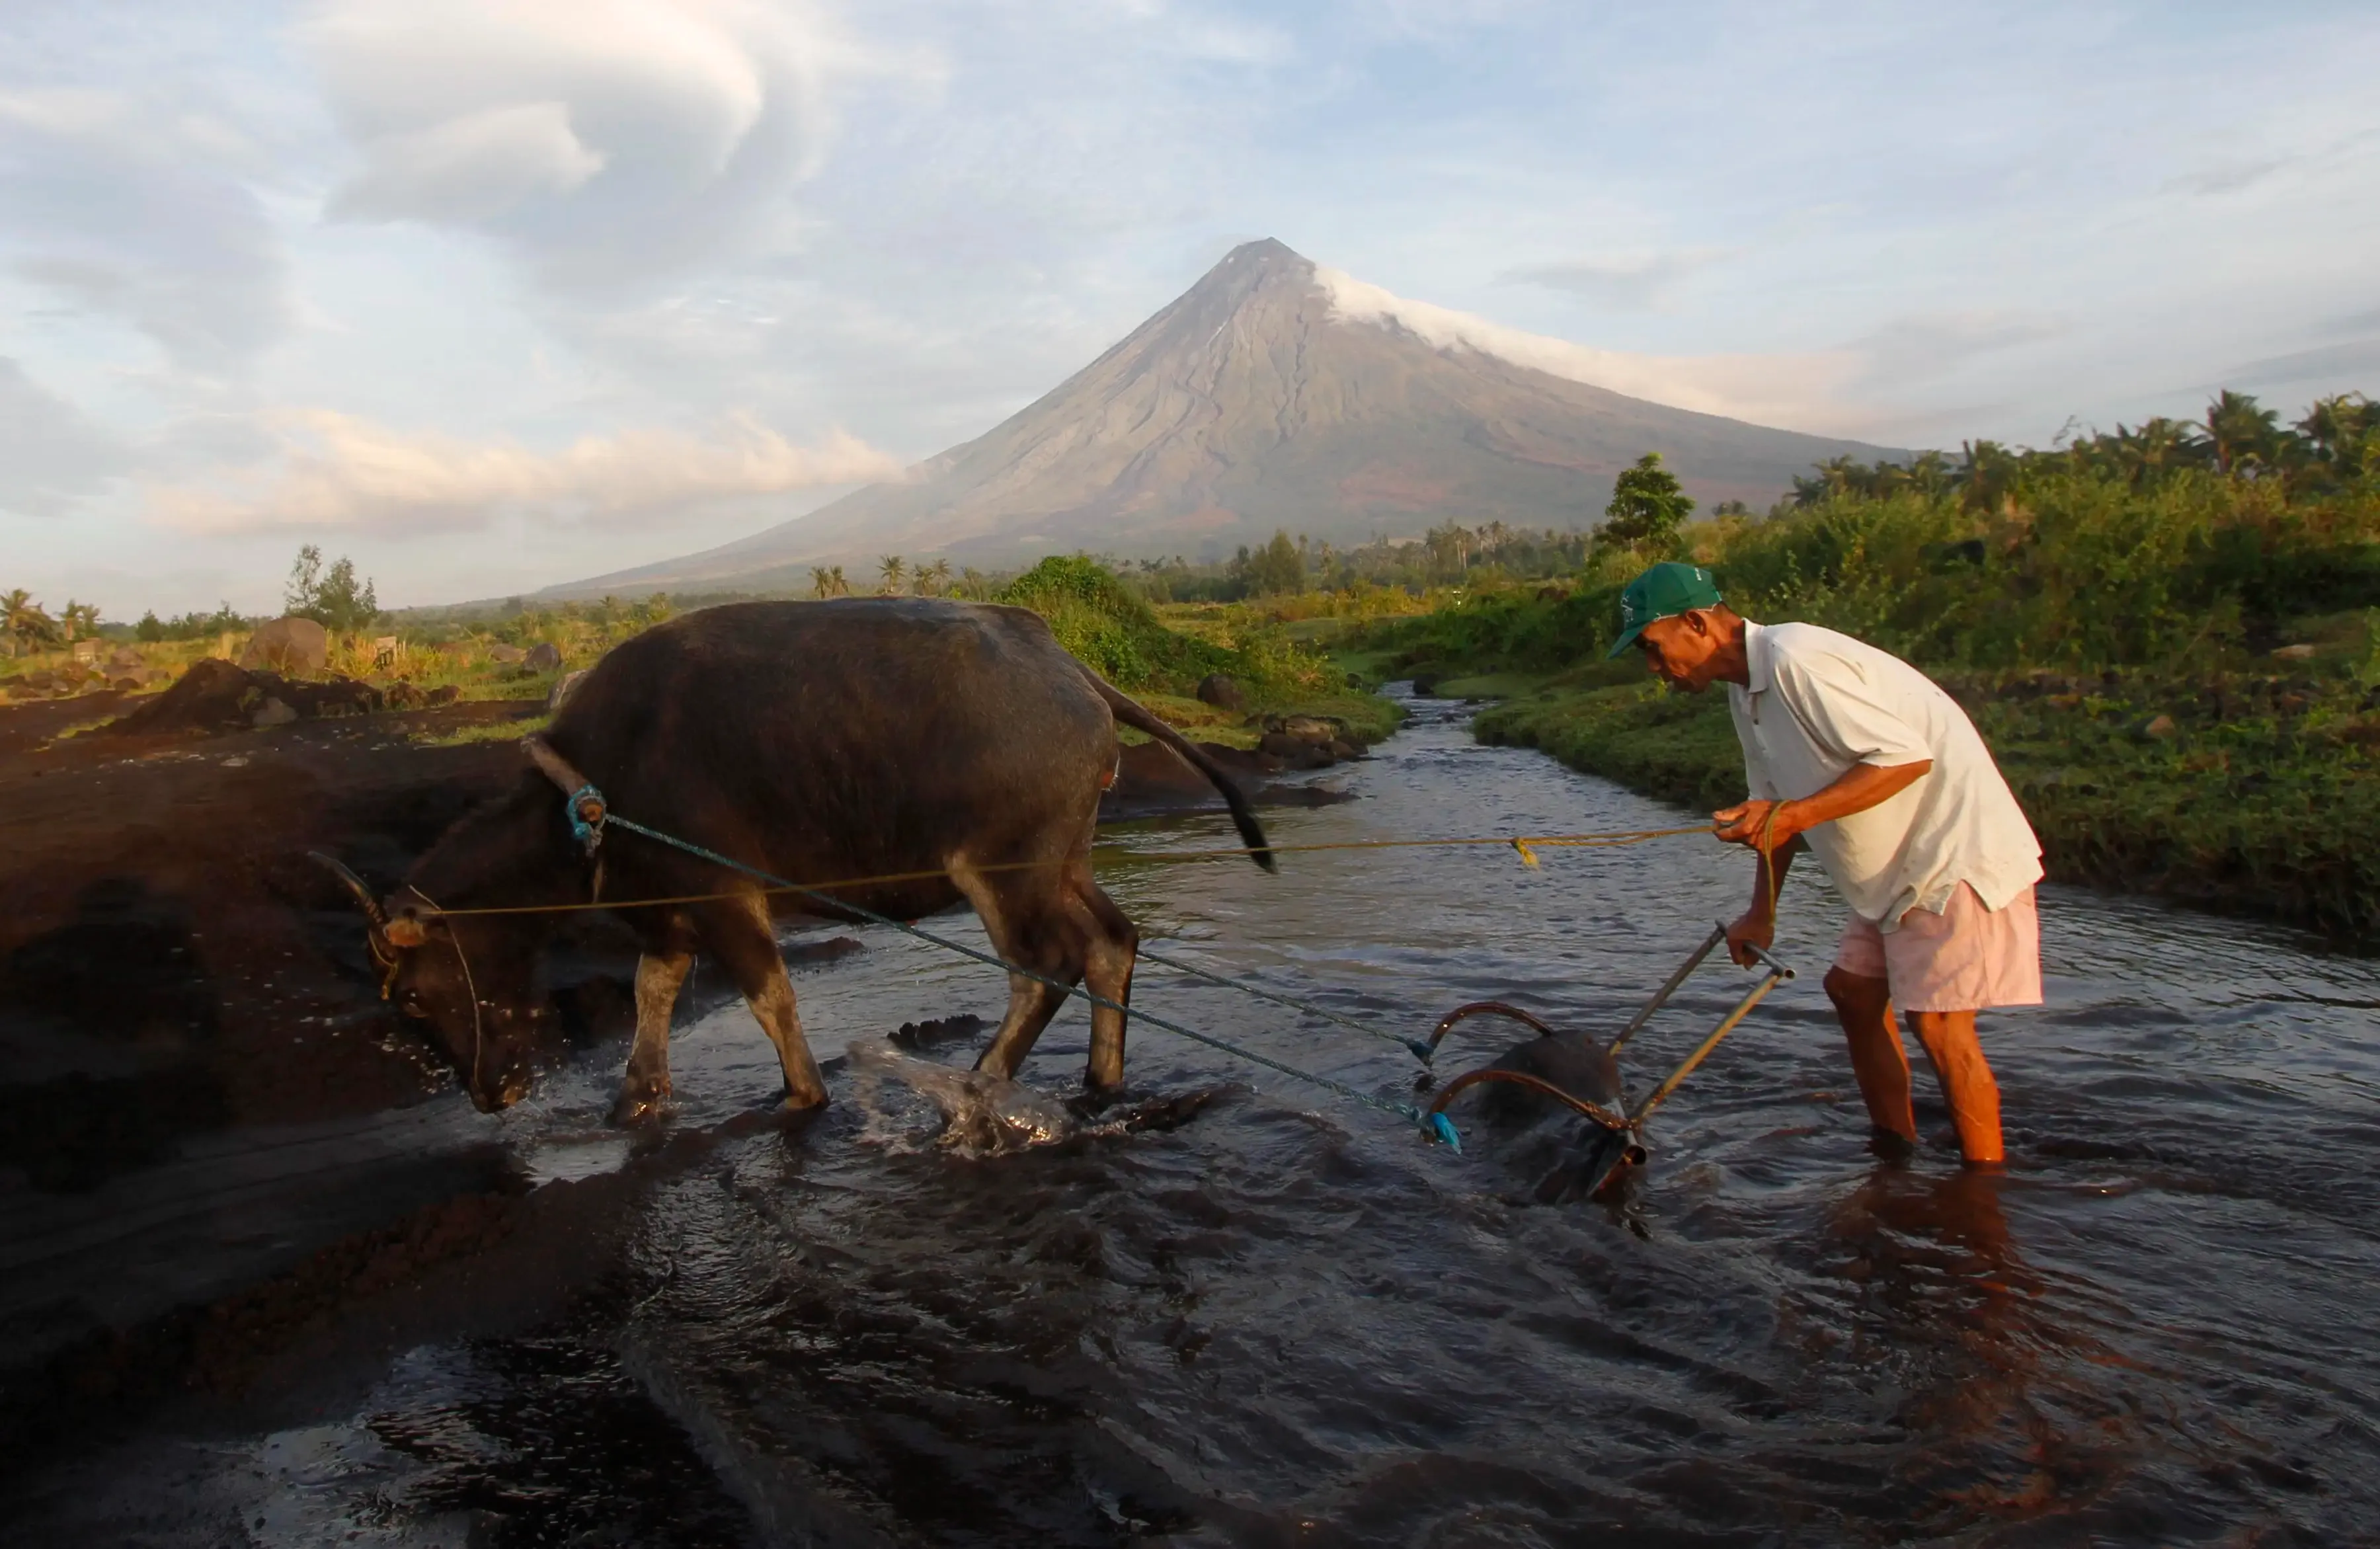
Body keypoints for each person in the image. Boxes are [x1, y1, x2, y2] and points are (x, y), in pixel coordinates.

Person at [1607, 562, 2043, 1165]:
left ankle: (1983, 1196)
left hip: (1952, 853)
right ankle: (1895, 1152)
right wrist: (1762, 911)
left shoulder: (1795, 659)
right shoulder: (1747, 692)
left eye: (1653, 649)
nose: (1655, 669)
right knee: (1853, 994)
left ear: (1696, 623)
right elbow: (1772, 812)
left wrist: (1797, 816)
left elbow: (1904, 759)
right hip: (1896, 868)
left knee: (1940, 1027)